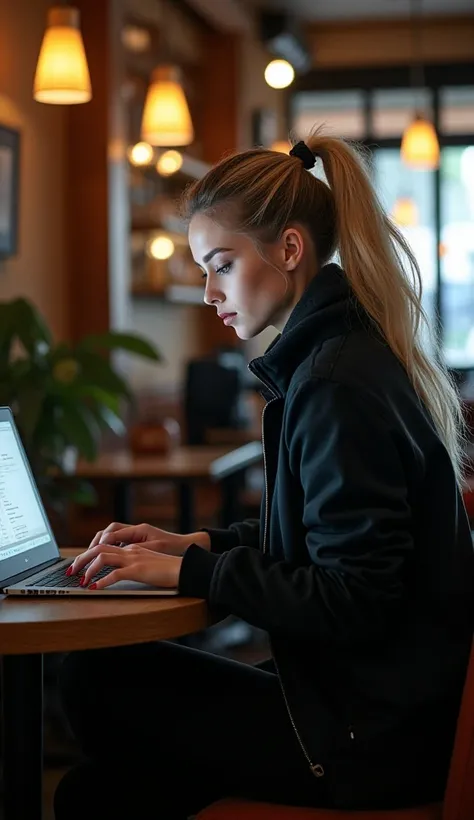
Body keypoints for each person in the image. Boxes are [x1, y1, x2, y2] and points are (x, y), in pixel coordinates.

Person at [54, 134, 474, 819]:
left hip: (369, 736)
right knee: (95, 787)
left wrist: (192, 575)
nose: (208, 291)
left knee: (94, 684)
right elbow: (317, 539)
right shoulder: (339, 358)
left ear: (288, 249)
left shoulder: (335, 383)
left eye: (221, 264)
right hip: (370, 710)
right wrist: (198, 545)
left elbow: (355, 600)